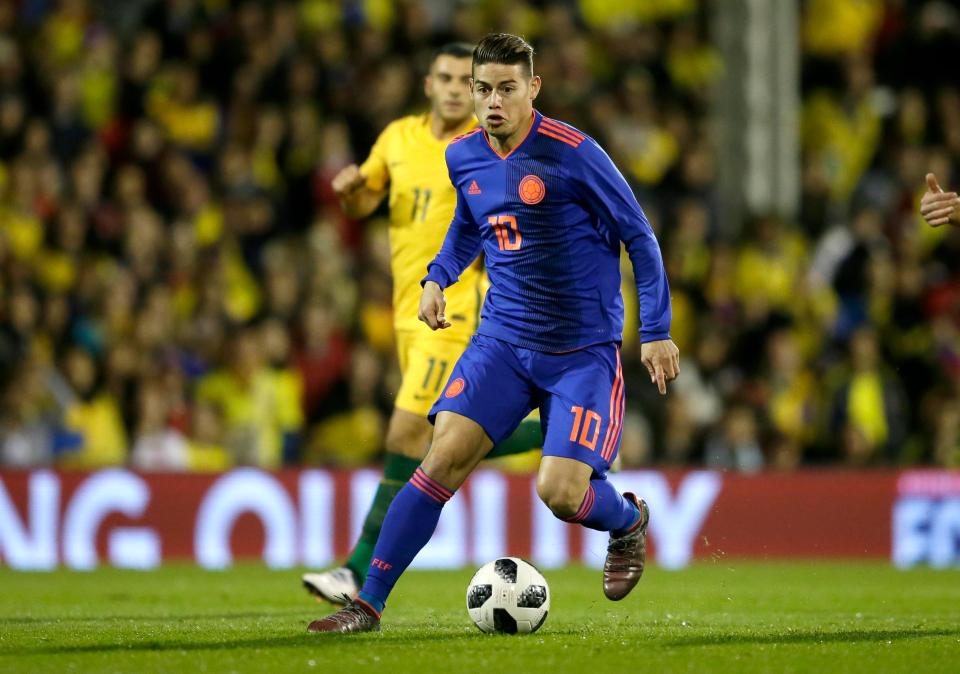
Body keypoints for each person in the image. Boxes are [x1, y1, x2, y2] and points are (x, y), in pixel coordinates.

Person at [308, 33, 678, 634]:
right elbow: (468, 224)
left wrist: (656, 330)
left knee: (559, 492)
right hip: (503, 341)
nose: (492, 101)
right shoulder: (464, 155)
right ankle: (367, 604)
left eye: (507, 88)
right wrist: (438, 279)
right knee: (441, 458)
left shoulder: (575, 153)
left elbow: (641, 236)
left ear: (533, 88)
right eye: (483, 89)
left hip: (580, 351)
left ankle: (628, 522)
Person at [302, 43, 543, 603]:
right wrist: (350, 195)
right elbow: (364, 204)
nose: (459, 88)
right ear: (428, 84)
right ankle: (556, 431)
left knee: (406, 433)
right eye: (448, 78)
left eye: (468, 80)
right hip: (407, 313)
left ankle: (355, 572)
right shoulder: (396, 140)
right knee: (441, 436)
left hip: (456, 307)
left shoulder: (486, 149)